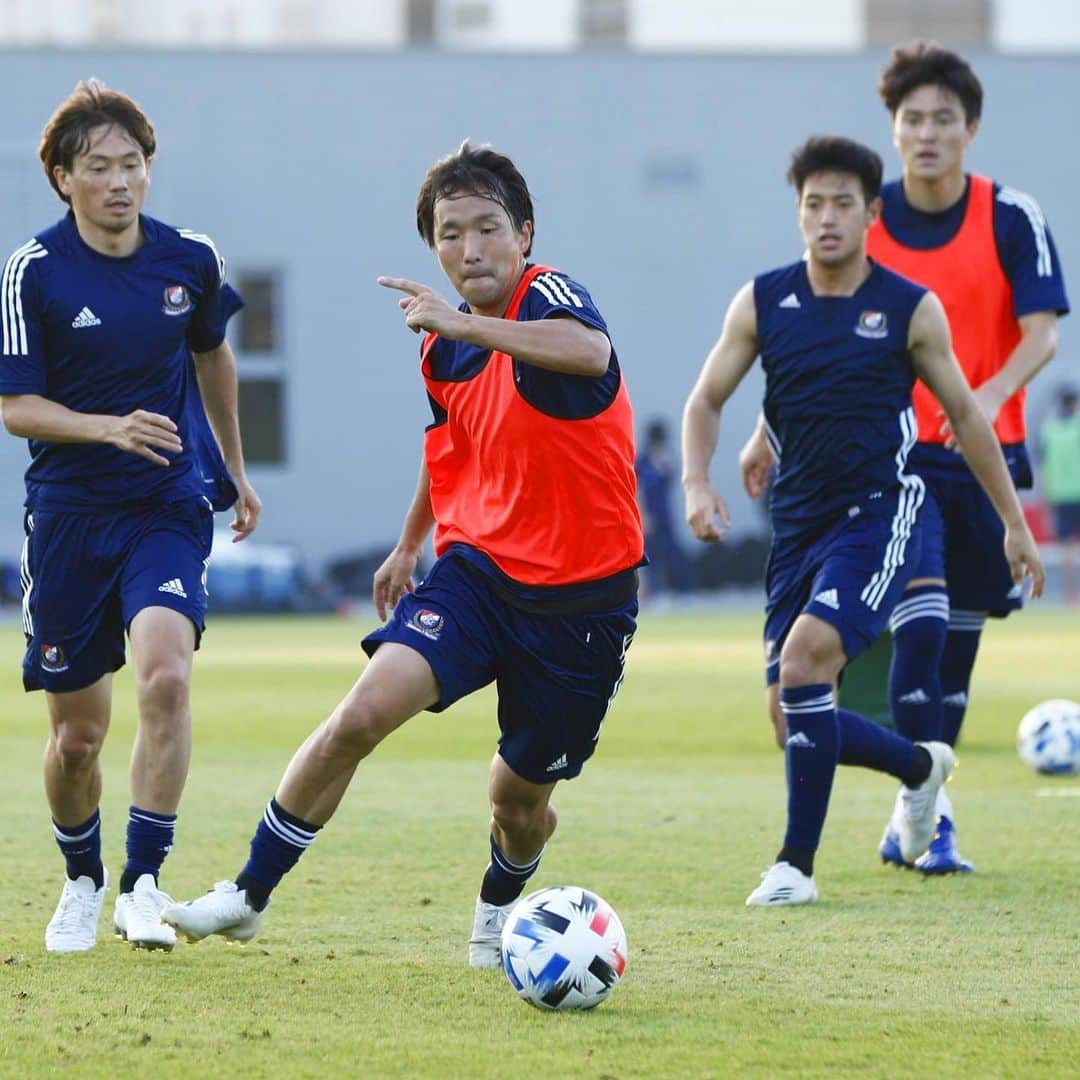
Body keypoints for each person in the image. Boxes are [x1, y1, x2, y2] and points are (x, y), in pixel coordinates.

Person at [162, 141, 643, 962]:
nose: (470, 249)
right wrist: (408, 542)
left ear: (524, 233)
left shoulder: (548, 297)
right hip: (478, 575)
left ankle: (498, 912)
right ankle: (247, 893)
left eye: (488, 228)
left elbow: (590, 353)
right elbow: (452, 442)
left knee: (517, 802)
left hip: (582, 601)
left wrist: (468, 322)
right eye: (450, 234)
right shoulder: (440, 344)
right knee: (361, 714)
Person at [682, 135, 1044, 907]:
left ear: (872, 214)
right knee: (791, 718)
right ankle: (920, 768)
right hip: (797, 525)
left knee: (808, 661)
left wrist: (1013, 522)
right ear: (798, 214)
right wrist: (695, 483)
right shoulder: (762, 301)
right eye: (813, 204)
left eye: (844, 203)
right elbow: (706, 398)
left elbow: (968, 421)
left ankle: (794, 867)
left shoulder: (910, 308)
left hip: (878, 513)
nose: (827, 218)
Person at [740, 43, 1069, 874]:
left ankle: (918, 805)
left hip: (980, 454)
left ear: (970, 129)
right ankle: (928, 807)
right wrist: (765, 428)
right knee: (917, 642)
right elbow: (805, 336)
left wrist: (989, 399)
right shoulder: (857, 213)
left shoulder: (1009, 217)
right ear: (893, 130)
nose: (926, 134)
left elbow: (1044, 334)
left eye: (942, 120)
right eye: (912, 119)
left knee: (951, 659)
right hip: (891, 465)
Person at [0, 79, 261, 952]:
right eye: (100, 167)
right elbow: (17, 409)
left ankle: (144, 882)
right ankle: (83, 879)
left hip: (165, 503)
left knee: (167, 678)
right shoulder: (33, 271)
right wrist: (105, 427)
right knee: (77, 737)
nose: (120, 181)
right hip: (70, 516)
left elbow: (215, 360)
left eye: (134, 164)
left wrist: (232, 465)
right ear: (64, 179)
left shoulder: (189, 260)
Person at [635, 418, 691, 597]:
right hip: (649, 515)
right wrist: (642, 515)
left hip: (665, 515)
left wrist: (664, 464)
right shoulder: (642, 462)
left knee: (674, 553)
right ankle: (654, 593)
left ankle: (685, 591)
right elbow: (638, 489)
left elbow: (670, 482)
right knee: (652, 557)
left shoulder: (665, 459)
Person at [1040, 387, 1080, 604]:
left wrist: (1047, 497)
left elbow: (1045, 467)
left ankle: (1070, 593)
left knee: (1066, 546)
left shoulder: (1050, 431)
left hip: (1059, 494)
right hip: (1077, 491)